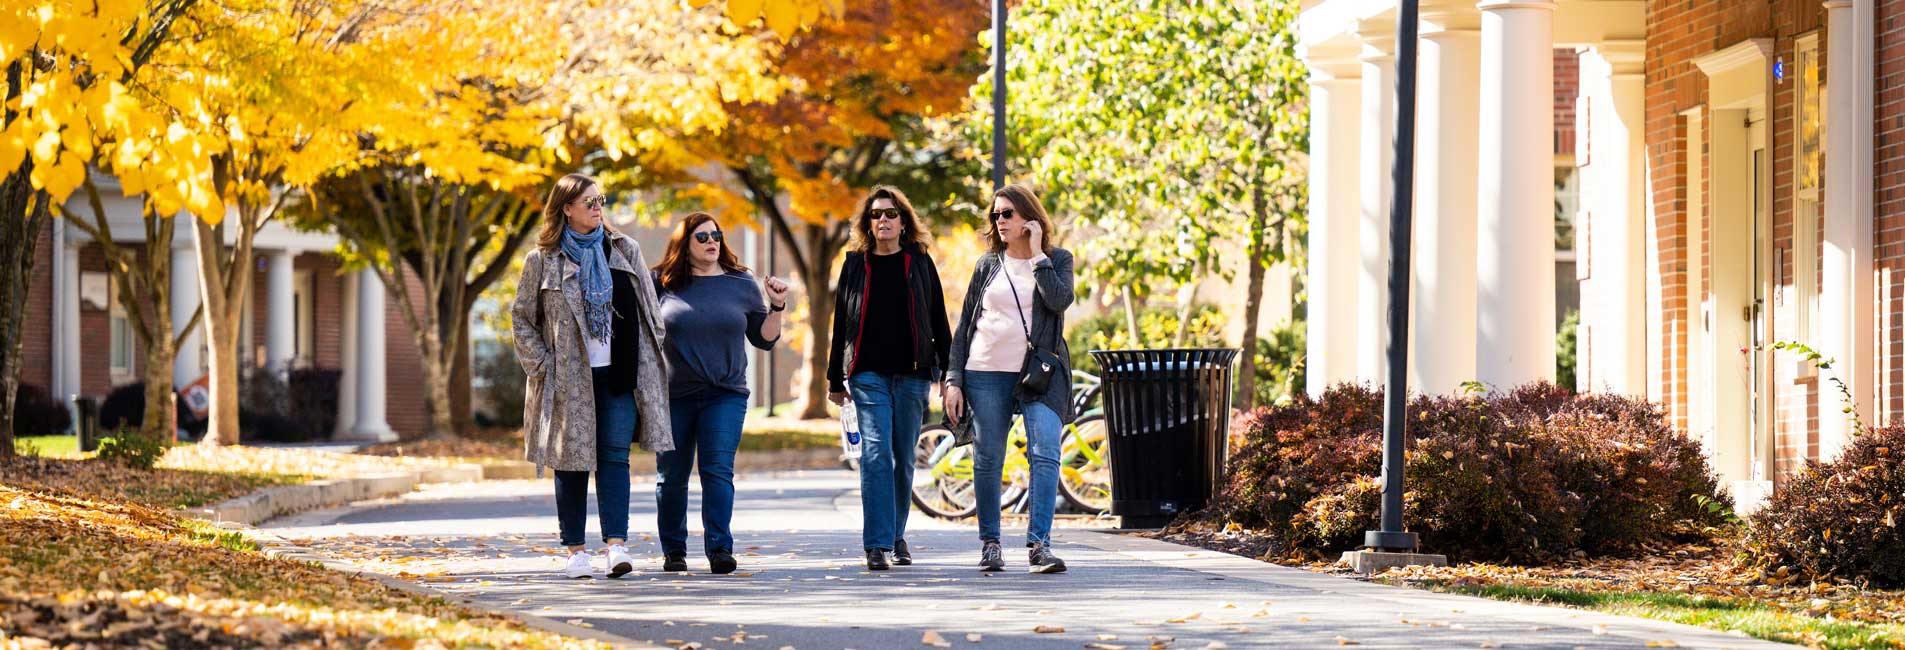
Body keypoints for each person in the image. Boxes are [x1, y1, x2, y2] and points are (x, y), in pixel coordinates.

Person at [511, 173, 674, 579]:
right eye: (588, 202)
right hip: (567, 378)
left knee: (615, 459)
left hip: (618, 374)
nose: (597, 207)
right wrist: (543, 366)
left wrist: (646, 356)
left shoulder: (624, 249)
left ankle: (616, 547)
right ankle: (575, 552)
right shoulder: (542, 260)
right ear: (566, 208)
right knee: (571, 463)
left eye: (600, 200)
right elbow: (521, 318)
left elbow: (651, 313)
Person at [944, 183, 1076, 574]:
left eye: (1008, 214)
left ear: (1029, 218)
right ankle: (991, 544)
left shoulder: (1057, 259)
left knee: (1046, 452)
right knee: (988, 457)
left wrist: (1037, 255)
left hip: (1041, 372)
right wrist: (953, 378)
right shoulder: (987, 265)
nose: (999, 221)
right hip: (985, 371)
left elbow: (1059, 301)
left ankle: (1039, 545)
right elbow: (966, 322)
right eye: (996, 215)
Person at [651, 212, 791, 574]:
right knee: (671, 476)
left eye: (716, 235)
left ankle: (719, 548)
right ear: (684, 244)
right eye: (702, 237)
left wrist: (776, 306)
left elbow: (764, 338)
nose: (712, 241)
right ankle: (674, 550)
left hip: (724, 394)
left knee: (717, 470)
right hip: (673, 395)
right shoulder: (661, 282)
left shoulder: (740, 282)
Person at [825, 186, 953, 571]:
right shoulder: (854, 265)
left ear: (903, 222)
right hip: (867, 375)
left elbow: (938, 320)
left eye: (891, 214)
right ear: (867, 223)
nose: (884, 220)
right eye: (876, 214)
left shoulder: (920, 263)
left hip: (913, 376)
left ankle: (897, 535)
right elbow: (841, 327)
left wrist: (950, 374)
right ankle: (877, 544)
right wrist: (835, 379)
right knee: (876, 455)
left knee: (903, 460)